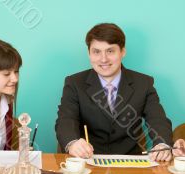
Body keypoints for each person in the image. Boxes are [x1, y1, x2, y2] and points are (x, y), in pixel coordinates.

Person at [56, 23, 173, 161]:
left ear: (123, 52)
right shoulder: (74, 83)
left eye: (110, 51)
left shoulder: (144, 83)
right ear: (89, 53)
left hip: (130, 163)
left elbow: (157, 119)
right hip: (88, 161)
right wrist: (72, 143)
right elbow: (66, 119)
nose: (103, 59)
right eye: (96, 51)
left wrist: (162, 144)